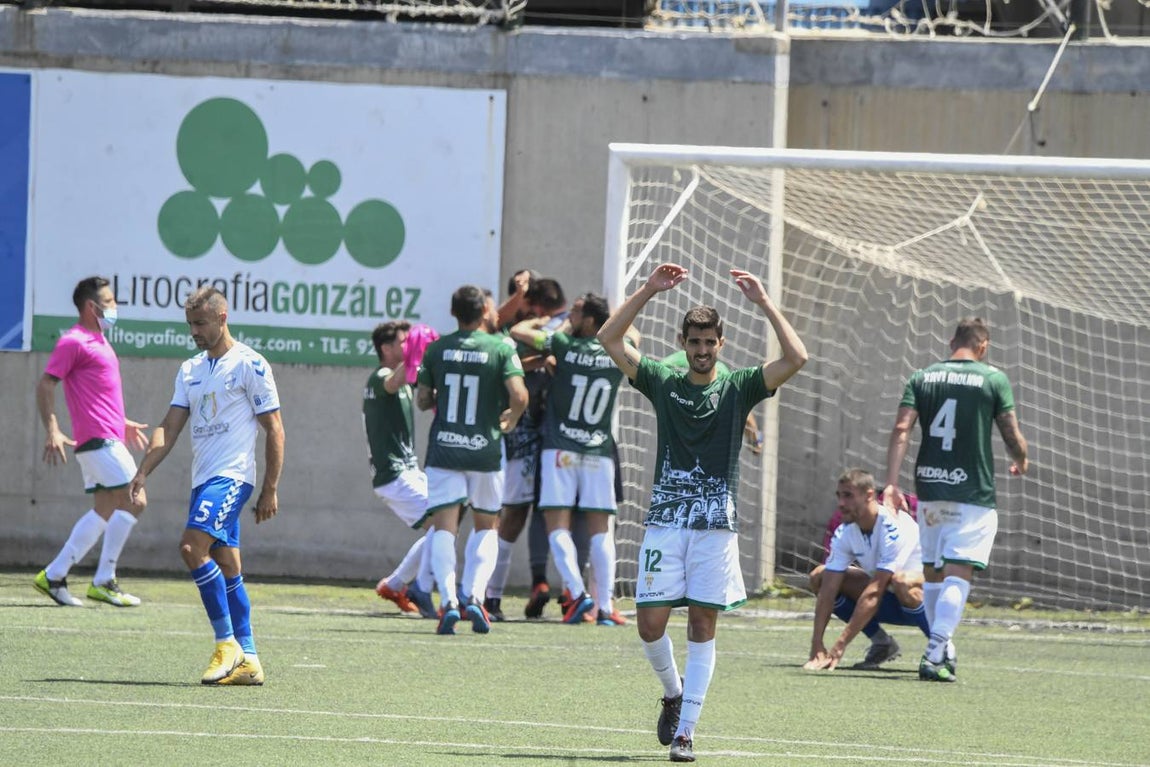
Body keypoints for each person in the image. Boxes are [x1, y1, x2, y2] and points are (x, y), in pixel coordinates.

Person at [598, 263, 807, 763]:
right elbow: (609, 338)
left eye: (709, 342)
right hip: (665, 526)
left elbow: (797, 357)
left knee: (701, 627)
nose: (701, 350)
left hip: (715, 529)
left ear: (722, 342)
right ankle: (672, 693)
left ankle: (687, 732)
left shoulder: (739, 388)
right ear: (683, 341)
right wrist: (648, 289)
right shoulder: (663, 381)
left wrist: (765, 303)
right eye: (694, 342)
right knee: (649, 625)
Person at [129, 286, 285, 685]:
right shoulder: (190, 370)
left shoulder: (251, 364)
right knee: (228, 564)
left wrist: (270, 488)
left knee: (190, 547)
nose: (194, 331)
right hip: (203, 481)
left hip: (232, 477)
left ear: (222, 317)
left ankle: (226, 644)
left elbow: (275, 430)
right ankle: (249, 658)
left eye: (200, 323)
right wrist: (144, 470)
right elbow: (169, 426)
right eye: (190, 325)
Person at [884, 317, 1029, 683]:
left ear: (952, 342)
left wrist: (891, 483)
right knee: (959, 572)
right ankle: (935, 650)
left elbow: (902, 428)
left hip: (931, 491)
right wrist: (1021, 458)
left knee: (933, 575)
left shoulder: (922, 376)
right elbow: (1010, 432)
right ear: (983, 346)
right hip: (972, 493)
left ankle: (943, 649)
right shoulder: (992, 378)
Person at [510, 292, 629, 626]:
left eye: (576, 312)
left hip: (561, 449)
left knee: (556, 526)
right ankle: (604, 607)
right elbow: (634, 334)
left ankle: (578, 594)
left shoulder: (564, 344)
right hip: (598, 451)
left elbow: (519, 331)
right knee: (601, 530)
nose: (571, 317)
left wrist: (561, 326)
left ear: (589, 319)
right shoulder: (617, 350)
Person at [416, 284, 528, 635]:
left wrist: (438, 395)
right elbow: (520, 395)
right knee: (486, 526)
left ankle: (448, 600)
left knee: (444, 528)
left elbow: (421, 400)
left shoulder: (437, 349)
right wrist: (511, 418)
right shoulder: (500, 348)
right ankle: (475, 597)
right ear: (484, 312)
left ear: (453, 313)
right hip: (485, 449)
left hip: (444, 449)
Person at [33, 276, 150, 608]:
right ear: (91, 306)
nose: (114, 307)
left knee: (104, 508)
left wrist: (122, 422)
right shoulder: (74, 341)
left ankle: (54, 575)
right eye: (110, 301)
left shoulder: (100, 342)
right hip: (98, 441)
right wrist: (53, 429)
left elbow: (96, 395)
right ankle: (104, 580)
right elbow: (45, 385)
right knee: (136, 499)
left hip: (106, 437)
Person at [803, 468, 930, 671]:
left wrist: (840, 646)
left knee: (901, 581)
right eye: (839, 495)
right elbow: (828, 589)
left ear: (869, 495)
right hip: (889, 600)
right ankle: (882, 643)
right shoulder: (845, 531)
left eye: (848, 496)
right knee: (820, 576)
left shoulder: (892, 527)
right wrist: (816, 645)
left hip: (928, 603)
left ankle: (940, 648)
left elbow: (874, 592)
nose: (841, 503)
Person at [365, 321, 438, 620]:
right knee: (442, 524)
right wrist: (415, 358)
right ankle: (407, 586)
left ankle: (395, 585)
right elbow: (393, 382)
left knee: (446, 522)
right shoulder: (379, 376)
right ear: (386, 348)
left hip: (409, 471)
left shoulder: (405, 378)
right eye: (403, 342)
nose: (409, 346)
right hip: (394, 475)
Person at [662, 350, 763, 455]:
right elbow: (740, 408)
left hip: (678, 443)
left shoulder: (668, 364)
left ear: (682, 340)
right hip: (710, 448)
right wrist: (755, 439)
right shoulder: (718, 370)